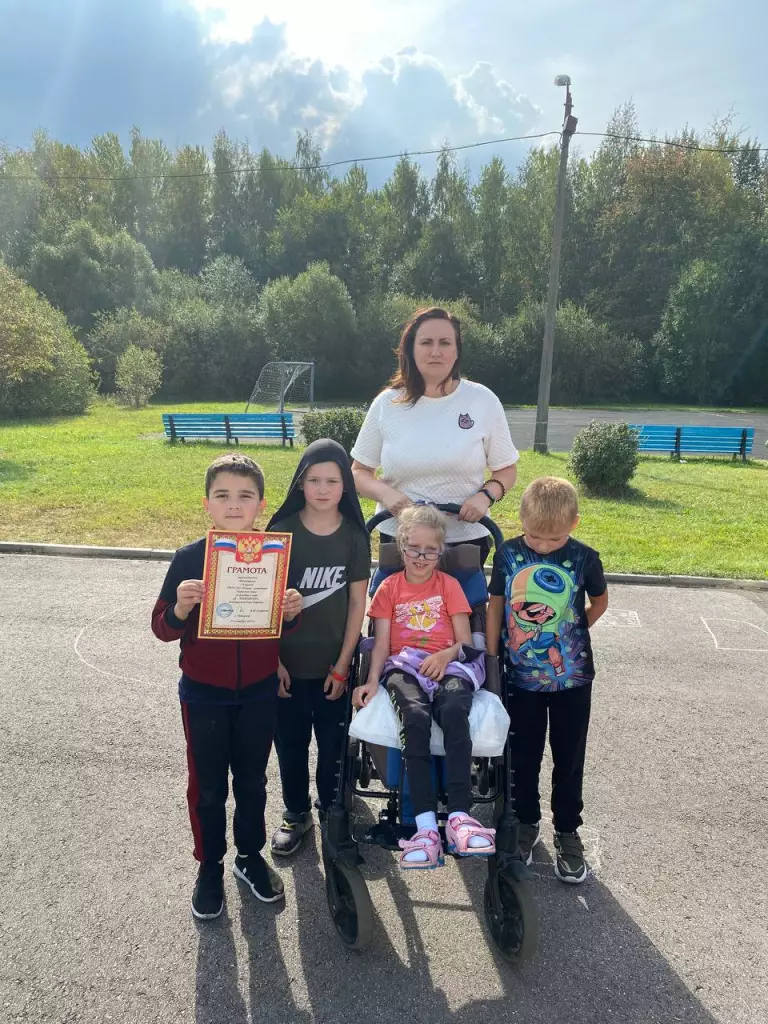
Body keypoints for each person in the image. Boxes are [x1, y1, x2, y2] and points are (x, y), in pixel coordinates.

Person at [151, 453, 302, 920]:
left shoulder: (276, 554)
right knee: (208, 786)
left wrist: (292, 613)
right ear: (207, 503)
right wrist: (179, 608)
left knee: (253, 781)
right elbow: (161, 627)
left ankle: (248, 856)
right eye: (223, 496)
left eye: (244, 496)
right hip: (204, 693)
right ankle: (209, 866)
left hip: (257, 691)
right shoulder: (189, 558)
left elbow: (278, 627)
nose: (234, 505)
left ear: (260, 503)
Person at [352, 505, 495, 869]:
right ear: (401, 548)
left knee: (453, 710)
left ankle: (461, 817)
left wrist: (445, 658)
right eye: (413, 548)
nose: (421, 556)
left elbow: (464, 642)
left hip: (450, 663)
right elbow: (382, 645)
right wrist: (371, 681)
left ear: (441, 551)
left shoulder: (449, 586)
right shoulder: (388, 588)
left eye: (430, 550)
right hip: (404, 666)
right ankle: (426, 827)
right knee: (413, 718)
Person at [485, 476, 609, 884]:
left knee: (569, 757)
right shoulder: (507, 554)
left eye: (553, 539)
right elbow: (497, 605)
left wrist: (576, 629)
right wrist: (490, 655)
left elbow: (600, 600)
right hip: (520, 679)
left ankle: (568, 830)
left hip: (573, 681)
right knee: (523, 753)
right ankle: (525, 821)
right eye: (534, 536)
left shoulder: (585, 558)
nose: (541, 545)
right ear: (520, 520)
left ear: (573, 523)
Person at [350, 305, 519, 563]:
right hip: (402, 541)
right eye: (426, 342)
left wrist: (485, 496)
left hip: (465, 541)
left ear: (456, 350)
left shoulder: (483, 401)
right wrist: (388, 496)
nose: (435, 351)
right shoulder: (387, 403)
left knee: (463, 605)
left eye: (445, 342)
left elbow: (506, 470)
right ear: (411, 349)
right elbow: (359, 472)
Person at [266, 439, 370, 856]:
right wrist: (272, 661)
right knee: (289, 746)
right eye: (314, 480)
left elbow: (358, 604)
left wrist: (343, 665)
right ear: (300, 483)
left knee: (332, 746)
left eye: (332, 480)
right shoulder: (281, 532)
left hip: (333, 668)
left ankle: (331, 808)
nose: (323, 488)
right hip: (286, 669)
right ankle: (296, 812)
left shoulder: (353, 537)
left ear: (346, 486)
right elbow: (262, 601)